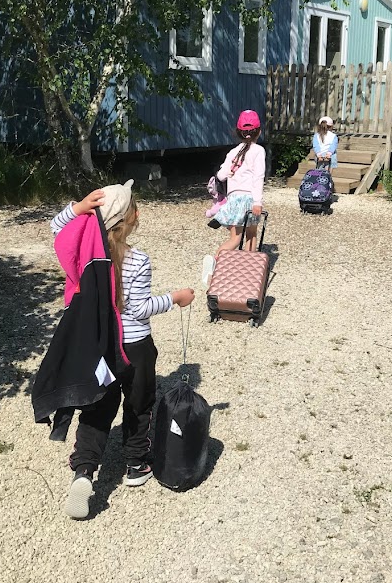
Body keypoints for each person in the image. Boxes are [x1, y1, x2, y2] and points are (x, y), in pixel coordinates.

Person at [51, 183, 194, 519]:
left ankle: (84, 470)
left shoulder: (83, 256)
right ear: (132, 218)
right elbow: (139, 309)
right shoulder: (138, 259)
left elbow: (57, 229)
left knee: (97, 409)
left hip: (100, 346)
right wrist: (174, 298)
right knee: (139, 405)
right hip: (135, 348)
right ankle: (135, 465)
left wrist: (78, 208)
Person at [202, 110, 265, 284]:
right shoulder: (258, 151)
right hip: (248, 199)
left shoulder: (233, 152)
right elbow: (258, 177)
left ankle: (217, 265)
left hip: (233, 199)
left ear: (238, 132)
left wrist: (231, 172)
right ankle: (247, 271)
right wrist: (257, 202)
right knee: (250, 234)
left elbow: (221, 176)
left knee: (234, 237)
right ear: (259, 131)